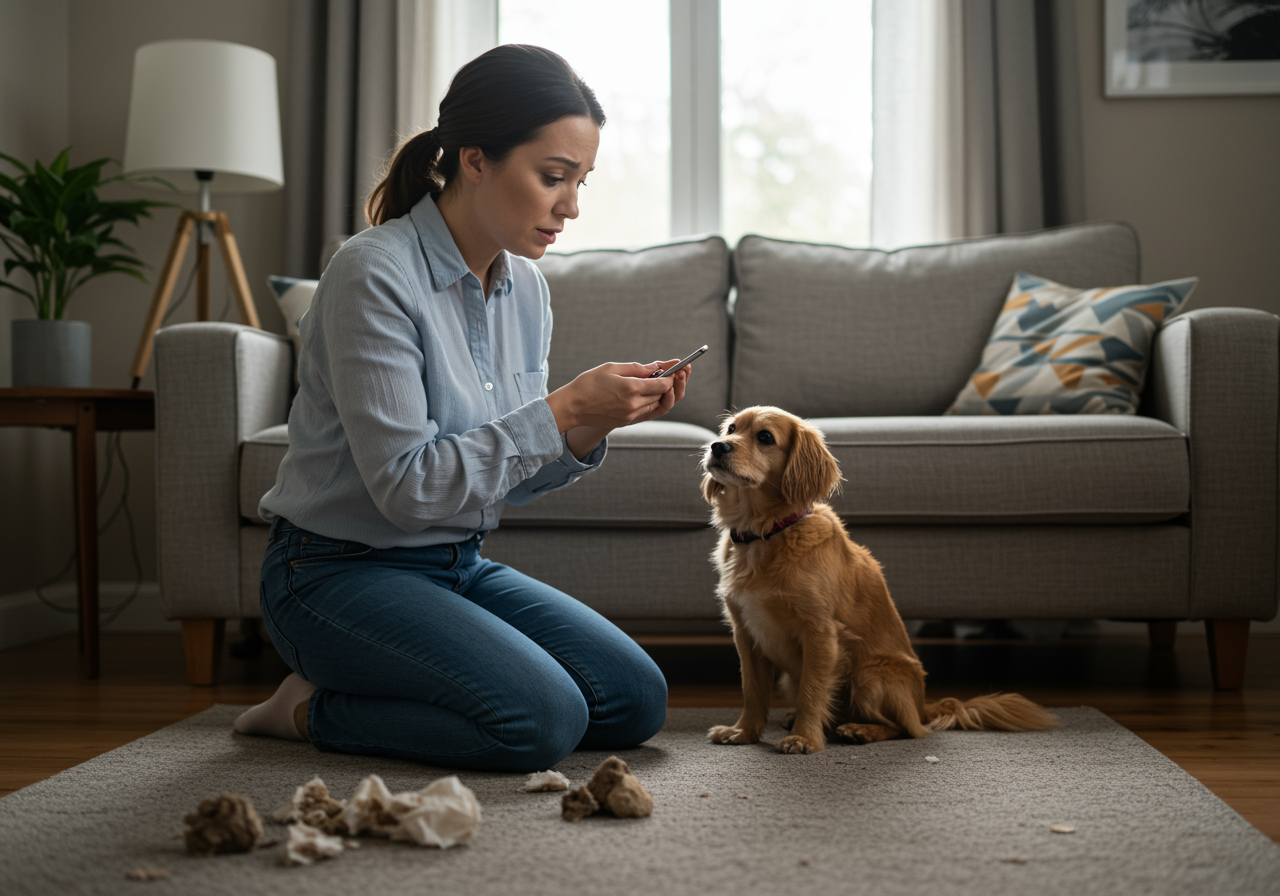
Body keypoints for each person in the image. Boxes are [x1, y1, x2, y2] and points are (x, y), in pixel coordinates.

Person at [232, 45, 691, 773]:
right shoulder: (372, 273)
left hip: (456, 566)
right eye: (553, 178)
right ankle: (302, 709)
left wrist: (590, 423)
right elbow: (409, 490)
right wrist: (562, 406)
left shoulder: (526, 288)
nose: (571, 207)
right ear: (475, 159)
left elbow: (506, 477)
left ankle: (412, 680)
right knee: (541, 721)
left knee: (635, 700)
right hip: (329, 576)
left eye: (580, 182)